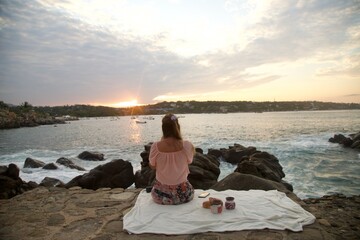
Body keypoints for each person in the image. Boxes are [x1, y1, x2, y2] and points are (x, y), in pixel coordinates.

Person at [149, 113, 195, 205]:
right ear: (177, 126)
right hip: (184, 194)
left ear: (163, 128)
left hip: (161, 196)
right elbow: (189, 161)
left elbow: (152, 166)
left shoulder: (155, 147)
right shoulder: (186, 145)